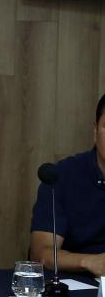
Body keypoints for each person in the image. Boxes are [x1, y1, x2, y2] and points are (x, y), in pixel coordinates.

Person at [29, 93, 105, 277]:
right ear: (95, 133)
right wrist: (89, 261)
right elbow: (41, 253)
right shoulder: (62, 176)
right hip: (79, 286)